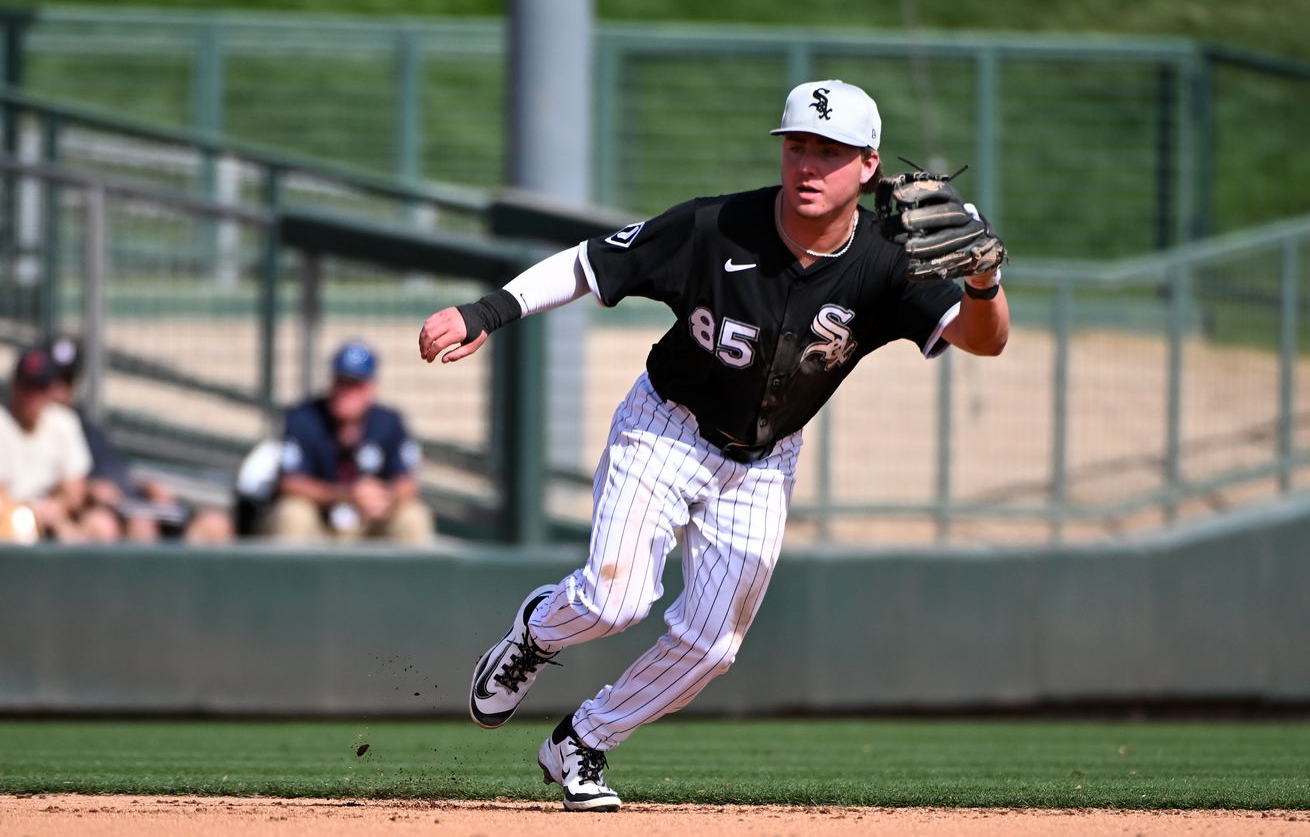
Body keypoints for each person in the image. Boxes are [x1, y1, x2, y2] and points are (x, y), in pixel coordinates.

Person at [418, 79, 1010, 812]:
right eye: (798, 146)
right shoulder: (715, 227)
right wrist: (486, 310)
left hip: (766, 461)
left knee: (711, 645)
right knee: (616, 598)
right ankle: (537, 635)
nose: (808, 165)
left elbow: (985, 341)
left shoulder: (890, 261)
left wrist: (984, 280)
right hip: (666, 427)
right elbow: (588, 263)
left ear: (868, 166)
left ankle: (583, 741)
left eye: (831, 152)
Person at [43, 335, 234, 545]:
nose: (58, 391)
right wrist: (89, 489)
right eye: (49, 382)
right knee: (129, 525)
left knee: (215, 523)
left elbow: (116, 472)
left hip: (129, 503)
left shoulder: (82, 426)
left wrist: (145, 487)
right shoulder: (21, 427)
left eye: (66, 381)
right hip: (90, 517)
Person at [266, 340, 433, 545]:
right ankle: (289, 578)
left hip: (369, 524)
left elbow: (408, 483)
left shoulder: (388, 422)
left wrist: (381, 497)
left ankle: (411, 578)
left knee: (412, 516)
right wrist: (346, 494)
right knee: (293, 514)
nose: (346, 392)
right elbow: (289, 482)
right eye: (341, 381)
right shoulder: (304, 418)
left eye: (355, 384)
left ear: (371, 387)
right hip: (321, 521)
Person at [0, 345, 95, 542]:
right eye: (27, 388)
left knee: (99, 526)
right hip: (11, 518)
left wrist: (56, 507)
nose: (32, 398)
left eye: (39, 389)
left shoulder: (63, 422)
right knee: (17, 526)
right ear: (15, 387)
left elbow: (75, 489)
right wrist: (32, 513)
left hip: (53, 515)